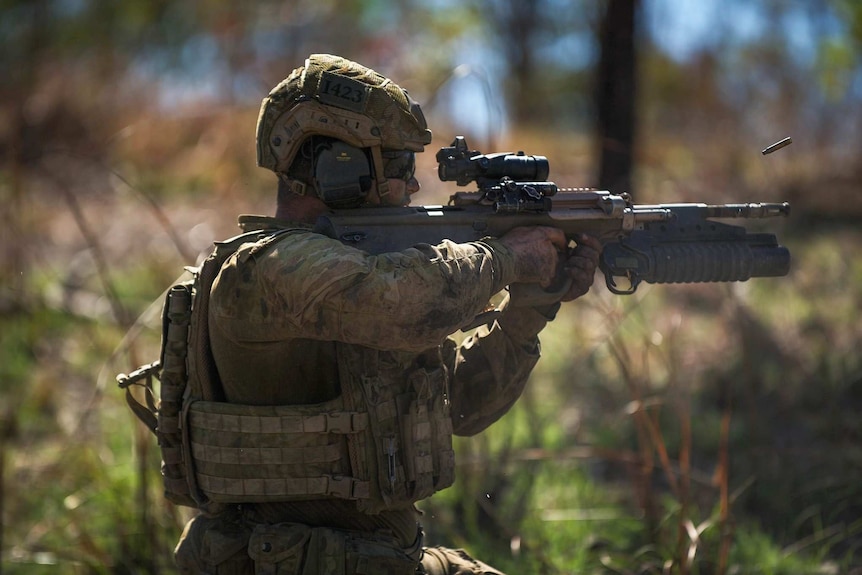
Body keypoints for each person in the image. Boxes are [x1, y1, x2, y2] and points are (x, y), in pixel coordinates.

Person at [172, 54, 601, 574]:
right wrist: (509, 257)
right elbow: (399, 303)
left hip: (369, 558)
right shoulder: (267, 269)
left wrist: (530, 307)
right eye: (398, 166)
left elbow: (464, 405)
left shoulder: (354, 282)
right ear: (338, 166)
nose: (414, 187)